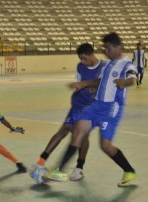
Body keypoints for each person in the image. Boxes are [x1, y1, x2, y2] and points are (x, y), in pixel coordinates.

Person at [44, 32, 137, 187]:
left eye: (108, 48)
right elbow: (100, 81)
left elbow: (132, 79)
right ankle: (59, 170)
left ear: (118, 47)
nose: (105, 51)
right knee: (78, 132)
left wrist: (124, 82)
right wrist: (84, 84)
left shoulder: (127, 64)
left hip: (111, 108)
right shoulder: (108, 64)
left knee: (105, 146)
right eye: (104, 48)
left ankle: (129, 171)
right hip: (96, 105)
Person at [31, 43, 106, 182]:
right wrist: (78, 87)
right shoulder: (80, 66)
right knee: (64, 129)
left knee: (81, 137)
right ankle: (41, 161)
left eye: (84, 59)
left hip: (91, 108)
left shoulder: (104, 67)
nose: (82, 62)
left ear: (91, 55)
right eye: (80, 59)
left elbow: (103, 83)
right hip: (77, 105)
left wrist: (87, 85)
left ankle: (78, 167)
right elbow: (80, 82)